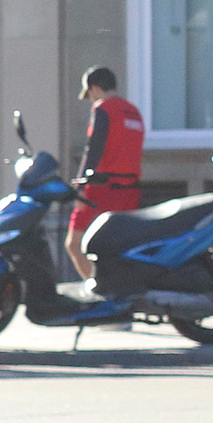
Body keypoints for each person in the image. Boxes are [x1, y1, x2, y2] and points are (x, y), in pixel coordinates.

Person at [65, 66, 144, 283]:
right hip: (130, 191)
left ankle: (98, 291)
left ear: (96, 89)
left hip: (102, 189)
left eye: (89, 95)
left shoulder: (103, 108)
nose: (90, 100)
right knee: (120, 248)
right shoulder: (134, 112)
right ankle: (121, 291)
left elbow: (94, 150)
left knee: (74, 244)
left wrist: (80, 188)